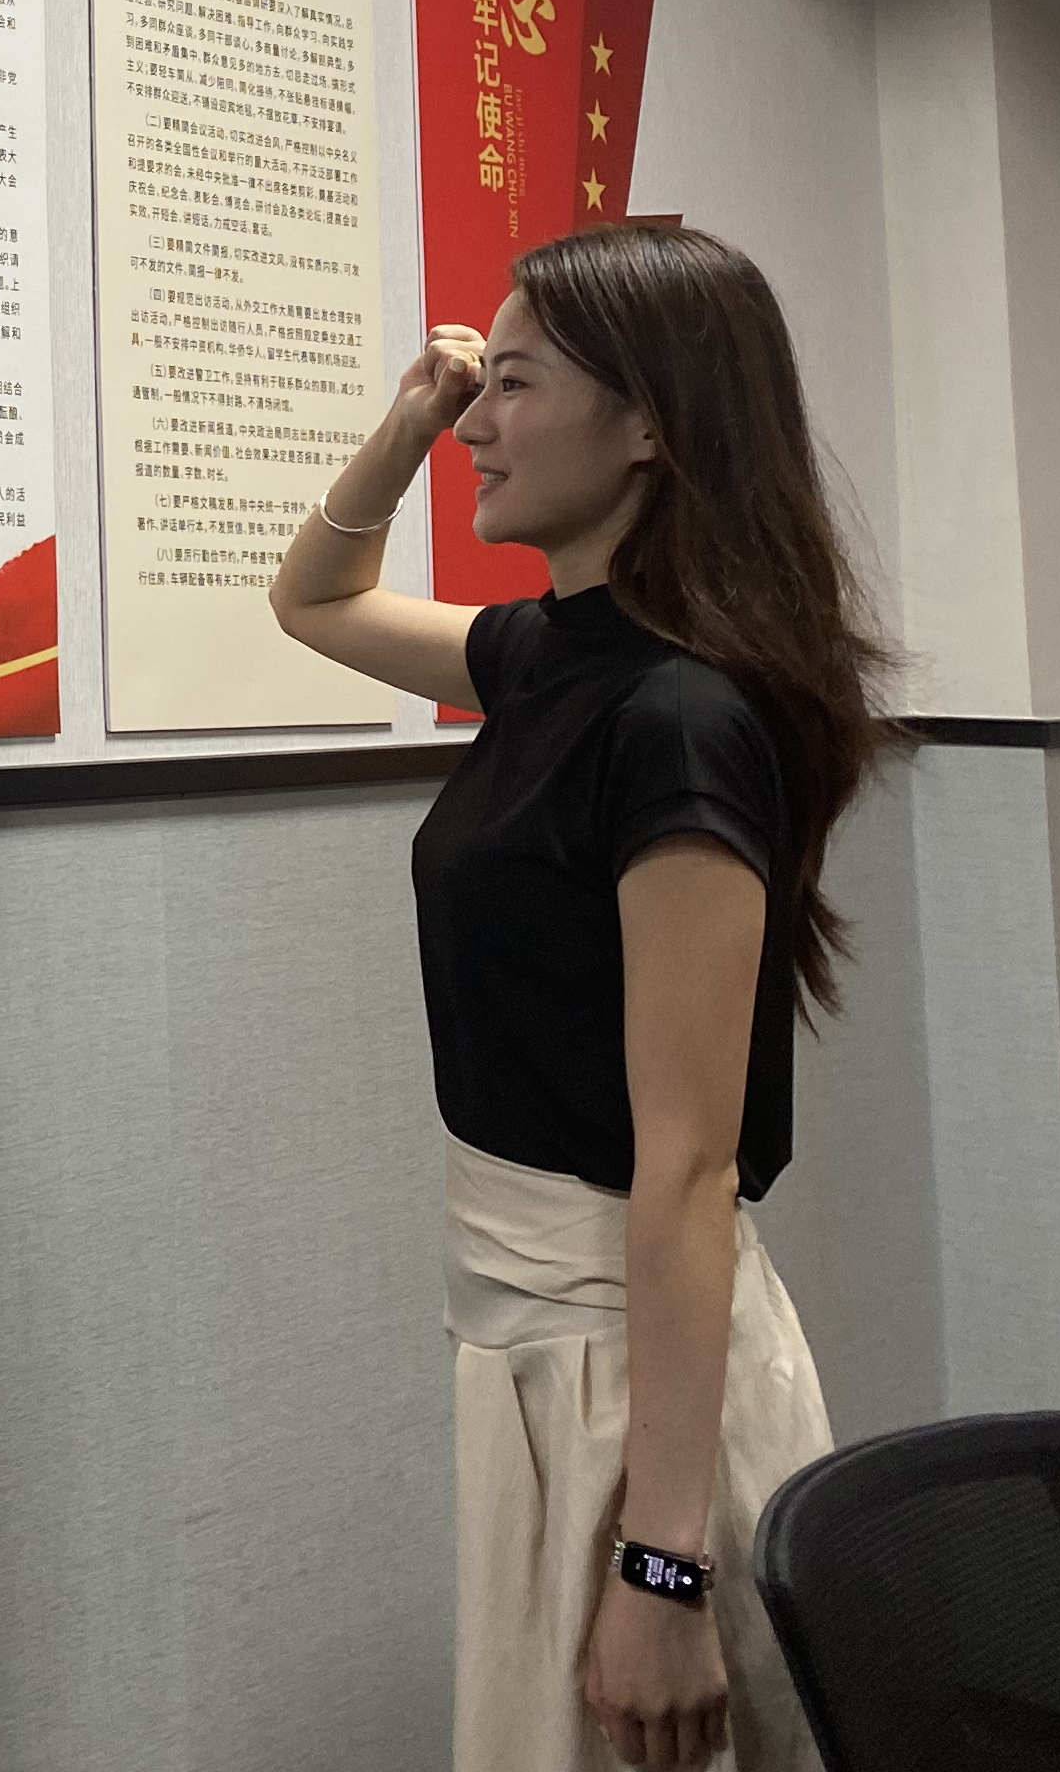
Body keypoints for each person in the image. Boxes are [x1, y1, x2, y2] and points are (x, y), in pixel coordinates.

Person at [269, 226, 890, 1771]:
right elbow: (315, 599)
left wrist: (663, 1569)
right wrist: (410, 419)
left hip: (636, 1388)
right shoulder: (553, 656)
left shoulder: (677, 719)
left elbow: (686, 1170)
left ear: (649, 427)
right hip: (536, 1356)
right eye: (478, 388)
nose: (479, 423)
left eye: (515, 386)